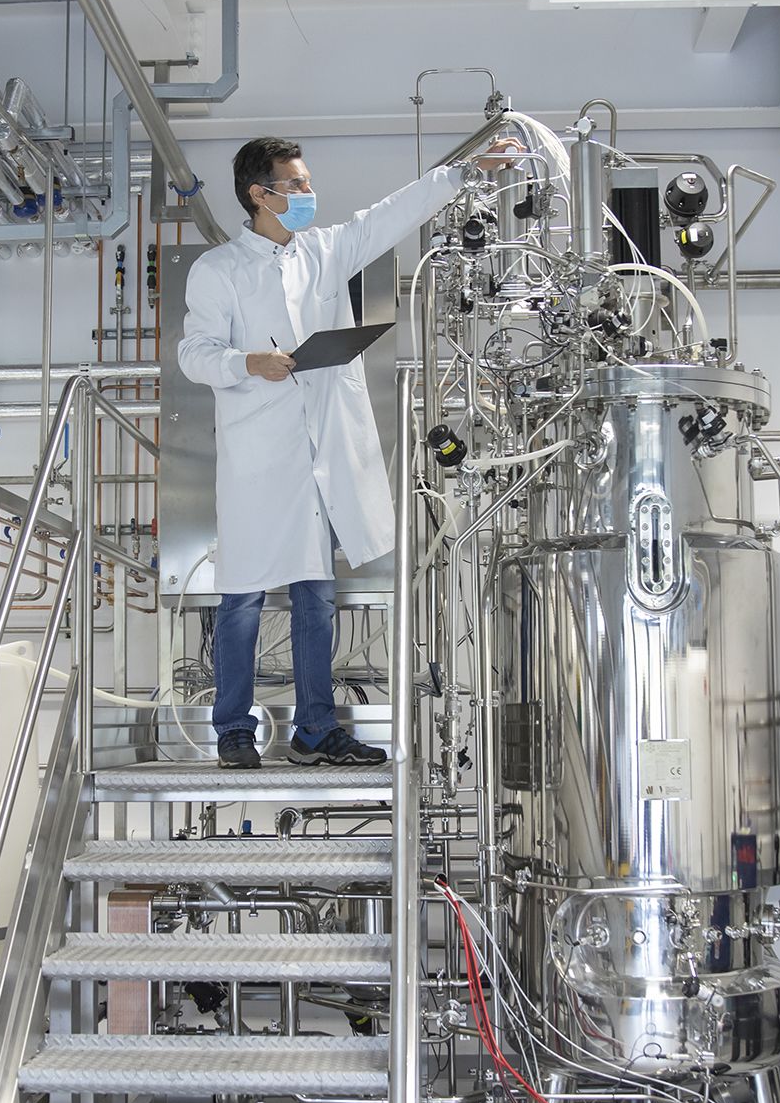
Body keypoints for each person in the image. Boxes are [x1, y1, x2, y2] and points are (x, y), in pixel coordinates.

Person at [178, 133, 522, 769]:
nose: (310, 194)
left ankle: (315, 730)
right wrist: (246, 361)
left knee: (316, 591)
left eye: (307, 183)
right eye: (297, 185)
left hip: (322, 451)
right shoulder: (218, 271)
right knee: (244, 595)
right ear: (261, 195)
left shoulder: (325, 252)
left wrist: (463, 173)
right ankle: (232, 729)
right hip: (261, 456)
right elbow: (193, 354)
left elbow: (389, 213)